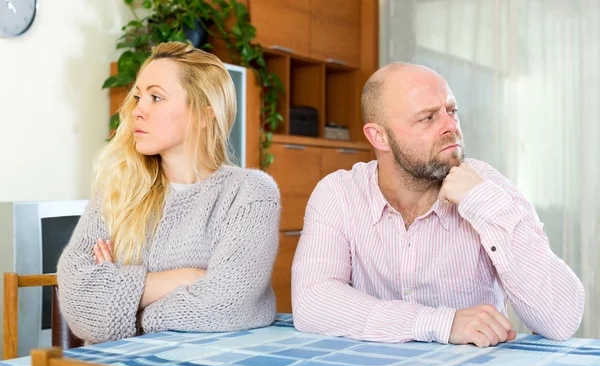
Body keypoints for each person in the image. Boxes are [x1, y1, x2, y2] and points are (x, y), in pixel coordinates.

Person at [291, 62, 584, 347]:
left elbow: (560, 320)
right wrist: (442, 323)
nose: (451, 126)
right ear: (378, 136)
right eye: (428, 118)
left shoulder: (491, 190)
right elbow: (313, 301)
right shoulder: (339, 193)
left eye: (452, 111)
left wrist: (483, 204)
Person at [57, 42, 281, 344]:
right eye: (138, 97)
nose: (137, 110)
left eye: (156, 97)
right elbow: (77, 299)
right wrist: (184, 278)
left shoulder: (249, 194)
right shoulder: (117, 190)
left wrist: (122, 310)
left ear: (204, 115)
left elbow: (228, 305)